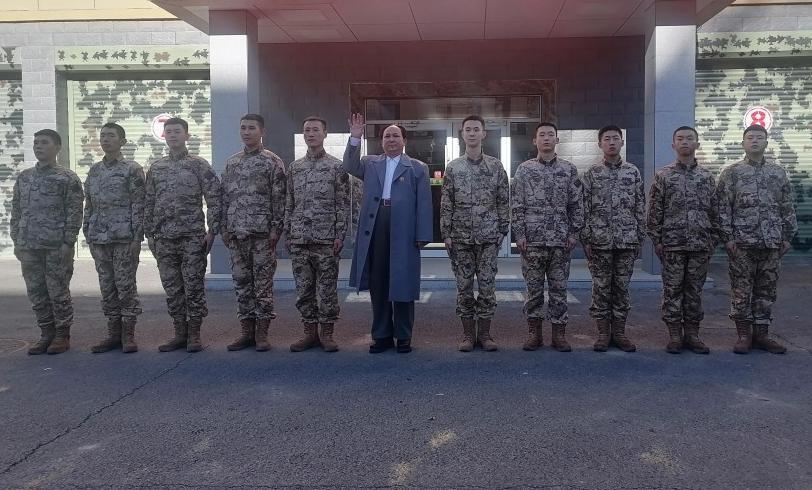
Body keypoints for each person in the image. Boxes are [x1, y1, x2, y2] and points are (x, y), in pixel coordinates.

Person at [343, 113, 433, 354]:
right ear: (381, 141)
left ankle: (403, 336)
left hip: (404, 228)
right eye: (386, 136)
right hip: (376, 225)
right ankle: (381, 335)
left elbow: (424, 204)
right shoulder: (370, 163)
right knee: (379, 282)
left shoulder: (417, 168)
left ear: (404, 141)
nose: (391, 139)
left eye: (395, 135)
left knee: (403, 282)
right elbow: (349, 166)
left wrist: (423, 234)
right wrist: (355, 137)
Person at [717, 124, 797, 354]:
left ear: (766, 143)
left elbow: (786, 205)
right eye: (750, 137)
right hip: (742, 243)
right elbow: (723, 208)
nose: (754, 141)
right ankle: (744, 335)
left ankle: (762, 335)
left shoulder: (777, 172)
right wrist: (728, 239)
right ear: (743, 143)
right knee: (741, 290)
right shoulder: (732, 173)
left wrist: (788, 237)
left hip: (771, 242)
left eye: (759, 138)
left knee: (766, 291)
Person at [144, 117, 222, 353]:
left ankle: (194, 335)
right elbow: (149, 202)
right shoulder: (156, 168)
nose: (172, 135)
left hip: (192, 238)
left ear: (186, 135)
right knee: (172, 288)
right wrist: (150, 234)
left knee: (193, 286)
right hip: (164, 238)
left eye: (177, 131)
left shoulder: (199, 165)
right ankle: (179, 333)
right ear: (164, 136)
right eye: (168, 132)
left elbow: (214, 198)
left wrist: (212, 231)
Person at [511, 122, 584, 352]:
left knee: (559, 290)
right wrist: (519, 234)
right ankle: (534, 334)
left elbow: (576, 204)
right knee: (533, 290)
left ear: (557, 140)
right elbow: (517, 204)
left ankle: (559, 335)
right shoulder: (524, 169)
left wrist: (574, 233)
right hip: (532, 242)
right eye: (541, 135)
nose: (546, 138)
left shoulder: (569, 169)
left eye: (550, 135)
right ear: (535, 141)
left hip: (560, 241)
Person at [647, 126, 719, 354]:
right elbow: (655, 212)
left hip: (700, 244)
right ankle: (675, 335)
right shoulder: (663, 176)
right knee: (672, 290)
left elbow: (716, 211)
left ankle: (693, 335)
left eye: (689, 138)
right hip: (672, 244)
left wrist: (713, 240)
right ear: (673, 145)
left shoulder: (707, 177)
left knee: (694, 291)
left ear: (697, 144)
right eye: (680, 139)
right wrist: (657, 240)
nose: (685, 142)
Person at [11, 129, 84, 355]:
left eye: (44, 142)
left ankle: (62, 335)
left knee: (58, 292)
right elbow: (16, 211)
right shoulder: (24, 177)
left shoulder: (67, 178)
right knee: (36, 292)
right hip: (28, 245)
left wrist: (68, 243)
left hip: (55, 246)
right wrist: (16, 240)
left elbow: (75, 212)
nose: (38, 146)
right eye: (36, 143)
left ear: (57, 147)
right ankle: (45, 333)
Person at [440, 115, 509, 352]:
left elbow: (503, 200)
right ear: (462, 134)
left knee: (487, 288)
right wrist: (446, 233)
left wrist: (502, 230)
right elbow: (446, 203)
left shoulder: (495, 166)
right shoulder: (453, 167)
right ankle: (468, 335)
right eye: (467, 129)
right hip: (460, 238)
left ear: (483, 134)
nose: (471, 133)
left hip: (488, 238)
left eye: (476, 129)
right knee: (464, 288)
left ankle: (486, 334)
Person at [221, 114, 286, 352]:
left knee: (262, 286)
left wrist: (276, 229)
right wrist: (224, 228)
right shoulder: (232, 163)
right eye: (243, 128)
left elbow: (279, 199)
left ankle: (262, 334)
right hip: (237, 235)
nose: (246, 132)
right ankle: (246, 332)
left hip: (262, 236)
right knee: (242, 284)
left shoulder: (273, 162)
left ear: (262, 132)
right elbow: (224, 198)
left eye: (251, 128)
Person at [285, 116, 349, 352]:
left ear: (325, 134)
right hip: (300, 239)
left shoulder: (336, 167)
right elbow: (289, 202)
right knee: (304, 290)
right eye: (307, 130)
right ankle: (309, 333)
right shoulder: (294, 168)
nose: (310, 134)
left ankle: (327, 334)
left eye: (315, 130)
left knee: (327, 289)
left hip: (326, 239)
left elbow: (342, 203)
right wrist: (288, 233)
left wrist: (340, 234)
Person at [581, 125, 644, 353]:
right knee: (601, 289)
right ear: (600, 144)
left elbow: (640, 206)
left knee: (621, 288)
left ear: (622, 142)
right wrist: (586, 239)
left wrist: (639, 237)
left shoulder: (632, 172)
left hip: (626, 240)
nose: (611, 142)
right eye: (606, 139)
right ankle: (602, 334)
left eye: (615, 138)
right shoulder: (592, 173)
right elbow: (584, 208)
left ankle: (619, 333)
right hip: (599, 242)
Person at [84, 122, 146, 353]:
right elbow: (89, 204)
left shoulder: (132, 169)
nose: (105, 139)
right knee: (107, 287)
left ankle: (128, 335)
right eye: (103, 136)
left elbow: (139, 204)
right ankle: (113, 334)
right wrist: (87, 231)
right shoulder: (94, 171)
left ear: (122, 141)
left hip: (123, 239)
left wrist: (137, 238)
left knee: (125, 286)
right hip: (99, 238)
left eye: (110, 136)